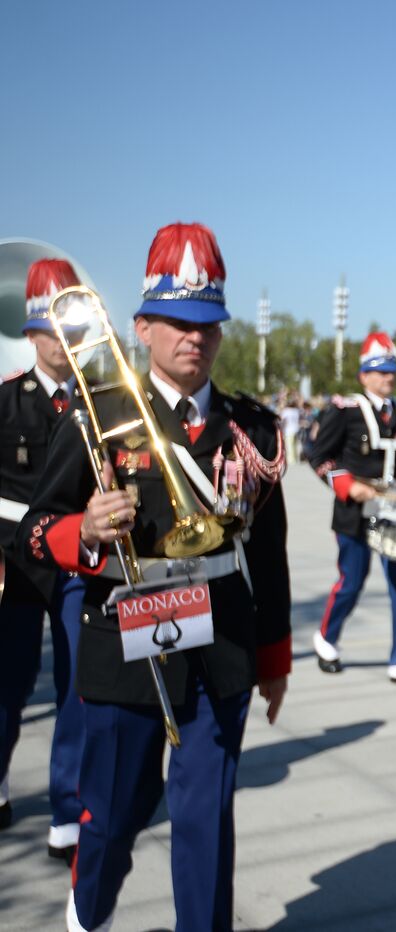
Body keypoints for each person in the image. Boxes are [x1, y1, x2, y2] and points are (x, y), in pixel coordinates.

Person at [21, 222, 291, 929]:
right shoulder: (97, 416)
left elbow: (270, 551)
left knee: (206, 820)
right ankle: (89, 913)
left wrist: (274, 655)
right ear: (140, 327)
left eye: (206, 323)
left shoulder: (250, 430)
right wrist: (85, 529)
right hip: (124, 645)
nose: (192, 338)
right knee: (113, 815)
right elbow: (35, 530)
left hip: (222, 642)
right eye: (174, 321)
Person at [0, 259, 89, 859]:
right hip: (11, 563)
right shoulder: (6, 401)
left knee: (79, 685)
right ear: (33, 334)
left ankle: (68, 809)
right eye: (53, 330)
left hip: (80, 562)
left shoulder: (99, 402)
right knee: (8, 683)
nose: (64, 342)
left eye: (72, 329)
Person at [308, 333, 396, 688]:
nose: (388, 377)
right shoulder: (345, 411)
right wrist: (347, 486)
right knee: (352, 582)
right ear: (364, 375)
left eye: (392, 370)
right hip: (353, 510)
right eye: (380, 371)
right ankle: (327, 639)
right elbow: (319, 457)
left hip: (395, 510)